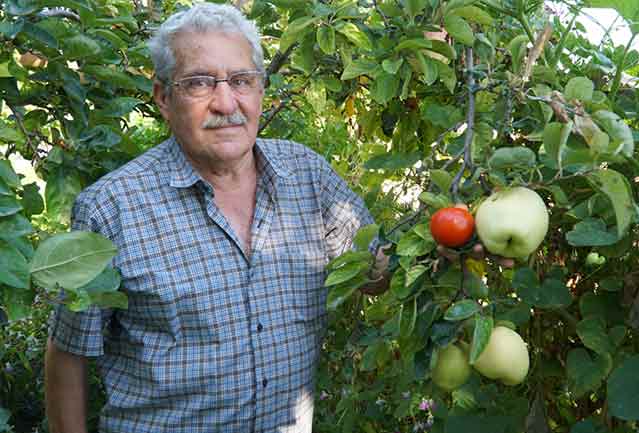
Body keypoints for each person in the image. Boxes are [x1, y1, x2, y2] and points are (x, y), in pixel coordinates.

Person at [44, 3, 388, 433]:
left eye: (241, 81)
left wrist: (454, 246)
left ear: (261, 89)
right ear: (163, 98)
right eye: (199, 83)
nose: (226, 103)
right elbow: (69, 353)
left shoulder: (309, 177)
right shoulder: (111, 209)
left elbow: (376, 275)